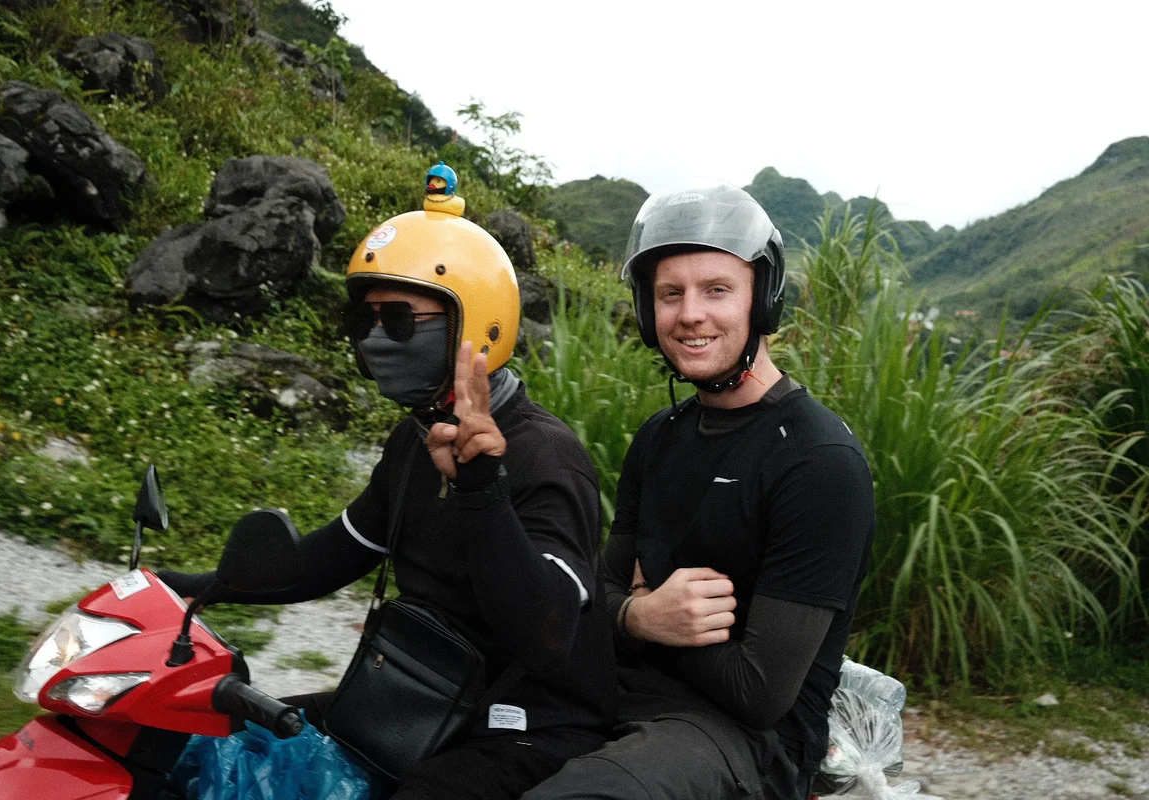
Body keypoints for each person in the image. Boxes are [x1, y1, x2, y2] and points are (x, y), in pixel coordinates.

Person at [160, 165, 615, 800]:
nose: (377, 340)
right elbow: (332, 555)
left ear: (475, 325)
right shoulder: (414, 438)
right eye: (365, 321)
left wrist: (483, 486)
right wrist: (177, 591)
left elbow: (544, 635)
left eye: (399, 321)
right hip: (420, 691)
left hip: (527, 722)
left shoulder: (545, 456)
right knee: (222, 741)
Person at [523, 183, 876, 800]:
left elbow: (759, 690)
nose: (690, 314)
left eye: (717, 289)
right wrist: (640, 614)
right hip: (625, 694)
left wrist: (639, 620)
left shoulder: (818, 461)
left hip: (748, 744)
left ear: (762, 301)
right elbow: (597, 601)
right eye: (669, 294)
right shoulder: (660, 437)